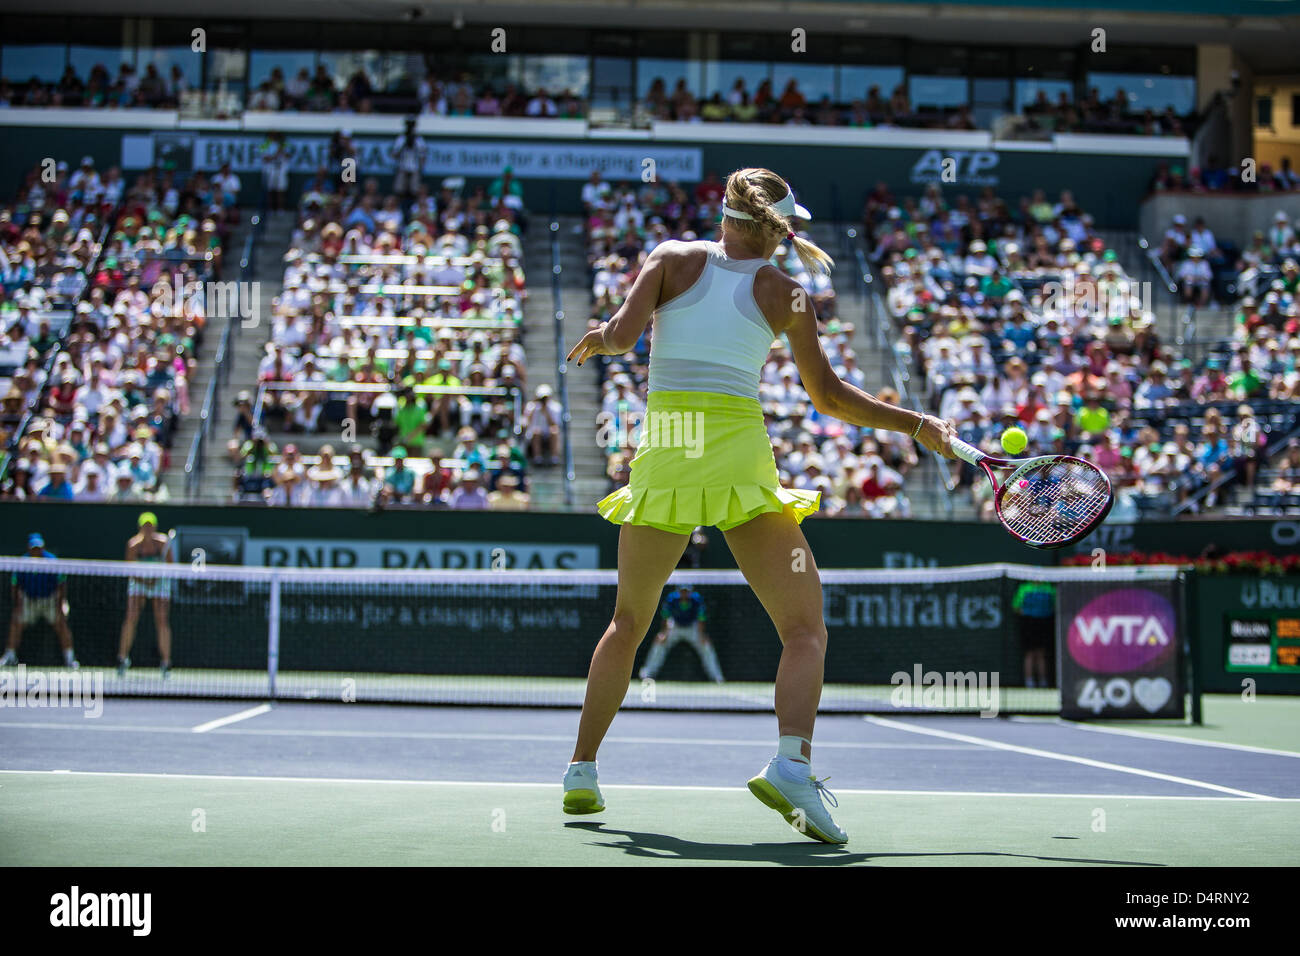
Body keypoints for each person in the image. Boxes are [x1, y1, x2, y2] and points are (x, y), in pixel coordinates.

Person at [563, 167, 958, 843]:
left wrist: (602, 336)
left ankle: (581, 771)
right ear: (777, 228)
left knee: (628, 622)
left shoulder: (667, 257)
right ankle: (791, 766)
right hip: (740, 455)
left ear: (725, 215)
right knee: (805, 630)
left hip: (667, 448)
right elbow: (830, 399)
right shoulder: (787, 293)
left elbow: (624, 340)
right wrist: (919, 425)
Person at [1, 533, 78, 669]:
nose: (36, 551)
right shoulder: (22, 563)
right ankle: (10, 656)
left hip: (49, 600)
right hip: (29, 600)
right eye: (34, 548)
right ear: (29, 549)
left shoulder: (52, 561)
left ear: (43, 548)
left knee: (61, 625)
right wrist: (17, 604)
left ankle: (70, 659)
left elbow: (61, 583)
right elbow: (15, 585)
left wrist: (61, 603)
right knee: (16, 622)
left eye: (39, 548)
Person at [117, 512, 174, 679]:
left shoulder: (163, 544)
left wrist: (155, 577)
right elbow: (130, 569)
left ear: (155, 527)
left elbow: (171, 566)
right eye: (145, 526)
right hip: (138, 581)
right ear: (140, 527)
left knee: (162, 619)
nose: (148, 529)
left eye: (150, 526)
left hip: (160, 582)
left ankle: (166, 663)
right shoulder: (133, 545)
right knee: (131, 617)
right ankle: (122, 659)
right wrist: (145, 580)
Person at [639, 586, 725, 683]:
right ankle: (647, 673)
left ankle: (716, 676)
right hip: (675, 626)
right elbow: (666, 617)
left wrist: (701, 636)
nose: (684, 594)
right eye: (682, 591)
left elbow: (700, 619)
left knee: (706, 645)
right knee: (659, 641)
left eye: (686, 591)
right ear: (678, 591)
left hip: (692, 628)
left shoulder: (696, 600)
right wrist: (664, 633)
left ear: (690, 592)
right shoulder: (671, 599)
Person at [1013, 578, 1056, 689]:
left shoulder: (1049, 589)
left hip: (1044, 625)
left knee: (1041, 654)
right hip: (1029, 625)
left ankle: (1043, 682)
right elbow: (1016, 606)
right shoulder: (1024, 589)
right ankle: (1029, 682)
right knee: (1029, 654)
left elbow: (1055, 605)